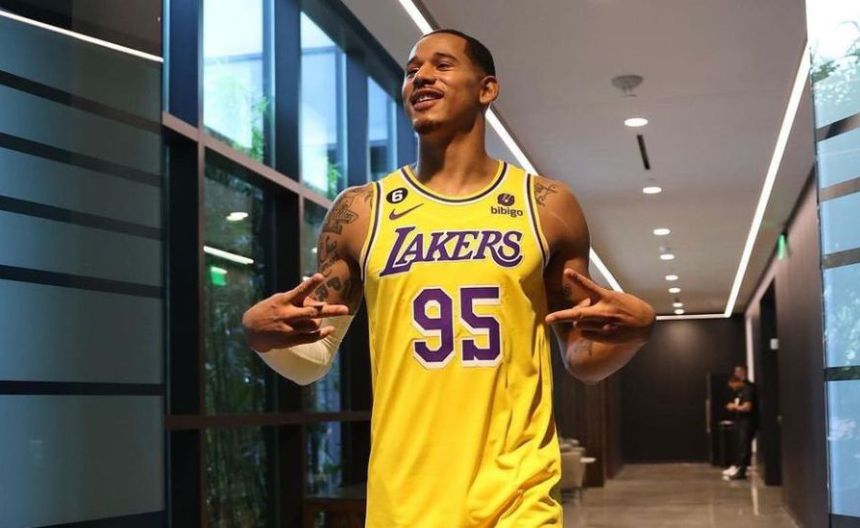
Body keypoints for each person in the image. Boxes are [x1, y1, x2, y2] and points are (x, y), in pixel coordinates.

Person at [242, 28, 656, 527]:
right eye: (411, 70)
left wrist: (633, 335)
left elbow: (582, 358)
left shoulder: (547, 206)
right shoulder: (361, 212)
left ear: (487, 88)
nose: (420, 76)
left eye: (441, 64)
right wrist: (263, 339)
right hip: (405, 499)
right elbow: (312, 360)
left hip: (518, 496)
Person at [722, 373, 756, 480]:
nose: (733, 388)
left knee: (744, 446)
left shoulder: (748, 390)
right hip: (741, 422)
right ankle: (738, 467)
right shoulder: (740, 392)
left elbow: (747, 407)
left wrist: (735, 407)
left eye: (733, 385)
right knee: (740, 445)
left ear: (736, 382)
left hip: (747, 422)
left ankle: (742, 470)